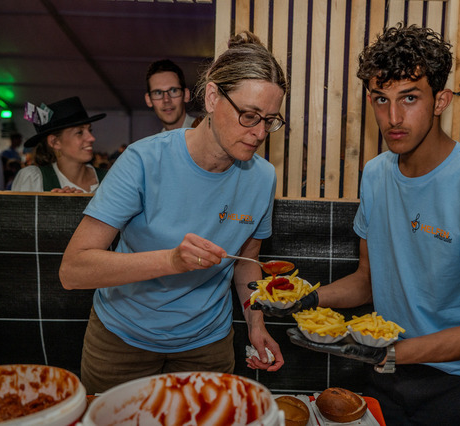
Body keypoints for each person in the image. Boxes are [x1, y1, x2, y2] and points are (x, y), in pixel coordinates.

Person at [259, 24, 460, 425]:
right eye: (381, 99)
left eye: (409, 98)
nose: (393, 117)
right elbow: (367, 281)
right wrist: (307, 300)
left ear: (441, 101)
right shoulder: (376, 174)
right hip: (388, 373)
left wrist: (391, 352)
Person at [59, 31, 288, 394]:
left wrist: (255, 323)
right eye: (249, 115)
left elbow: (246, 260)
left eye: (270, 120)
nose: (260, 132)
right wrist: (171, 260)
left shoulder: (262, 178)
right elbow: (73, 270)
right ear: (212, 97)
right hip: (122, 341)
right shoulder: (143, 160)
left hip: (207, 345)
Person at [11, 97, 108, 193]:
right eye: (79, 132)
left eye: (90, 130)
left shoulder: (109, 179)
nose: (91, 138)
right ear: (55, 142)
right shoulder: (33, 180)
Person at [145, 59, 196, 132]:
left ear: (186, 95)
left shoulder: (206, 133)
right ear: (148, 100)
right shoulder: (157, 139)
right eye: (158, 93)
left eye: (173, 91)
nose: (166, 100)